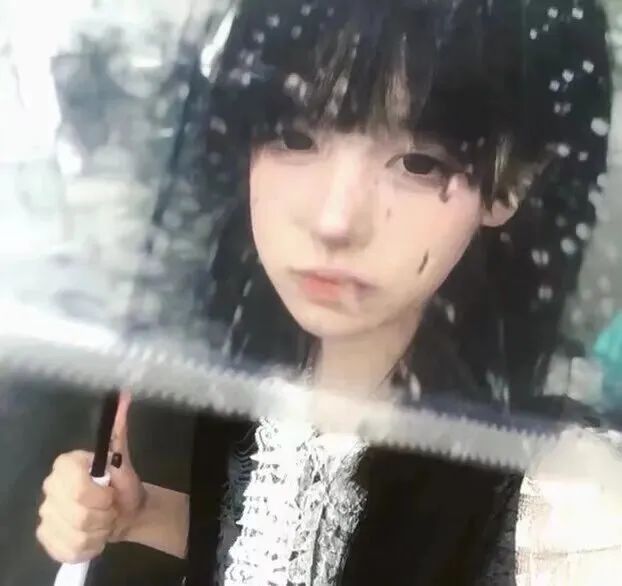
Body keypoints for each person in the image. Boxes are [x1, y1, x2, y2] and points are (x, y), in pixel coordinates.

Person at [36, 0, 614, 584]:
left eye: (419, 162)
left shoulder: (567, 500)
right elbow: (293, 555)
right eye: (293, 136)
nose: (335, 220)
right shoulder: (255, 366)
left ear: (509, 183)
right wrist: (141, 515)